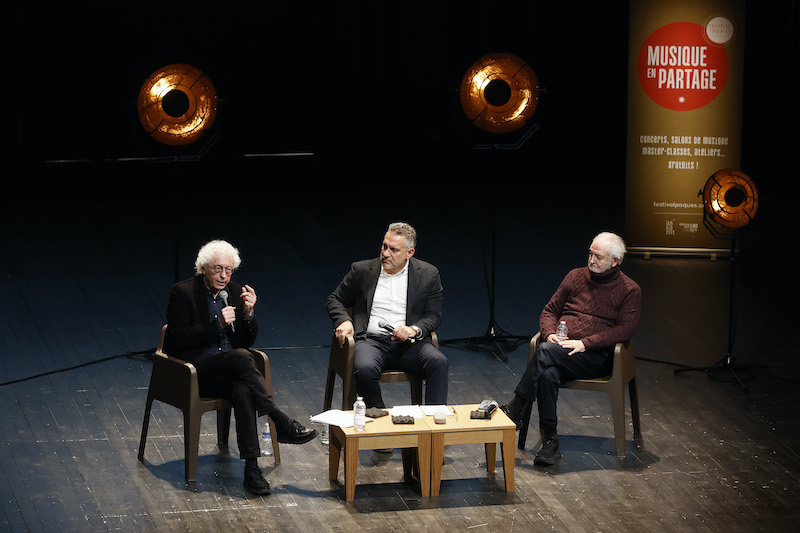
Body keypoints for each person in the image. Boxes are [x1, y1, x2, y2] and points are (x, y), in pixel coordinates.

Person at [164, 239, 317, 495]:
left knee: (243, 390)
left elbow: (247, 341)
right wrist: (217, 327)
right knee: (243, 357)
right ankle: (279, 420)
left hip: (230, 370)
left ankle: (252, 470)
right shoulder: (182, 293)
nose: (224, 276)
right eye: (217, 269)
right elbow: (179, 340)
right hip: (195, 371)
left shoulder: (234, 292)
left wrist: (248, 314)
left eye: (229, 270)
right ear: (204, 268)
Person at [501, 232, 642, 466]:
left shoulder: (630, 290)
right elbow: (549, 311)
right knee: (547, 373)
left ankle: (516, 408)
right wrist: (550, 334)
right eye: (590, 253)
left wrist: (586, 343)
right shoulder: (575, 276)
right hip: (561, 352)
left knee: (544, 352)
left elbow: (624, 331)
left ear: (615, 261)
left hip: (597, 357)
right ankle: (550, 440)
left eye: (598, 256)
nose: (591, 259)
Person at [326, 222, 449, 410]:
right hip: (371, 342)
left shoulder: (428, 274)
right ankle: (382, 418)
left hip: (409, 345)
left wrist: (413, 330)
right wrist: (344, 320)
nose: (385, 253)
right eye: (384, 246)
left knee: (438, 363)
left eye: (393, 250)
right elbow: (335, 299)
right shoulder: (361, 270)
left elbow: (433, 315)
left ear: (409, 253)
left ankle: (433, 428)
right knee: (364, 369)